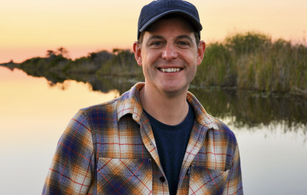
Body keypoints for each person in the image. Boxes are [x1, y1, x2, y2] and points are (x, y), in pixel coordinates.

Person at [42, 0, 243, 194]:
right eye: (157, 43)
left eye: (182, 42)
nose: (169, 54)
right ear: (139, 53)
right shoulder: (89, 128)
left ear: (199, 53)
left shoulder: (224, 142)